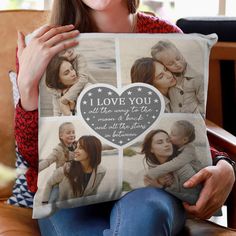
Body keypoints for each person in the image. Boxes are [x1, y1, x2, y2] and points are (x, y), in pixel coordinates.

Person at [15, 0, 235, 235]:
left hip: (149, 190)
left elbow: (185, 127)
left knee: (148, 212)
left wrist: (225, 164)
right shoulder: (44, 46)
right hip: (73, 186)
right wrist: (27, 87)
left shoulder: (167, 38)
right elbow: (33, 156)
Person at [143, 122, 203, 205]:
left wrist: (161, 187)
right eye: (160, 142)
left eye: (168, 140)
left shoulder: (183, 166)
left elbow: (194, 199)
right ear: (151, 149)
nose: (167, 144)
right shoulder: (154, 169)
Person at [42, 135, 106, 203]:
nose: (75, 150)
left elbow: (93, 192)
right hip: (62, 208)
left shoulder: (101, 171)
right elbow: (49, 183)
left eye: (80, 148)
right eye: (76, 147)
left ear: (92, 151)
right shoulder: (66, 169)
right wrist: (45, 203)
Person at [151, 40, 205, 114]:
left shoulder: (197, 77)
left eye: (178, 58)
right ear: (163, 66)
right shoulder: (168, 79)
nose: (177, 64)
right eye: (170, 63)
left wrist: (195, 115)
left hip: (193, 117)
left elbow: (204, 103)